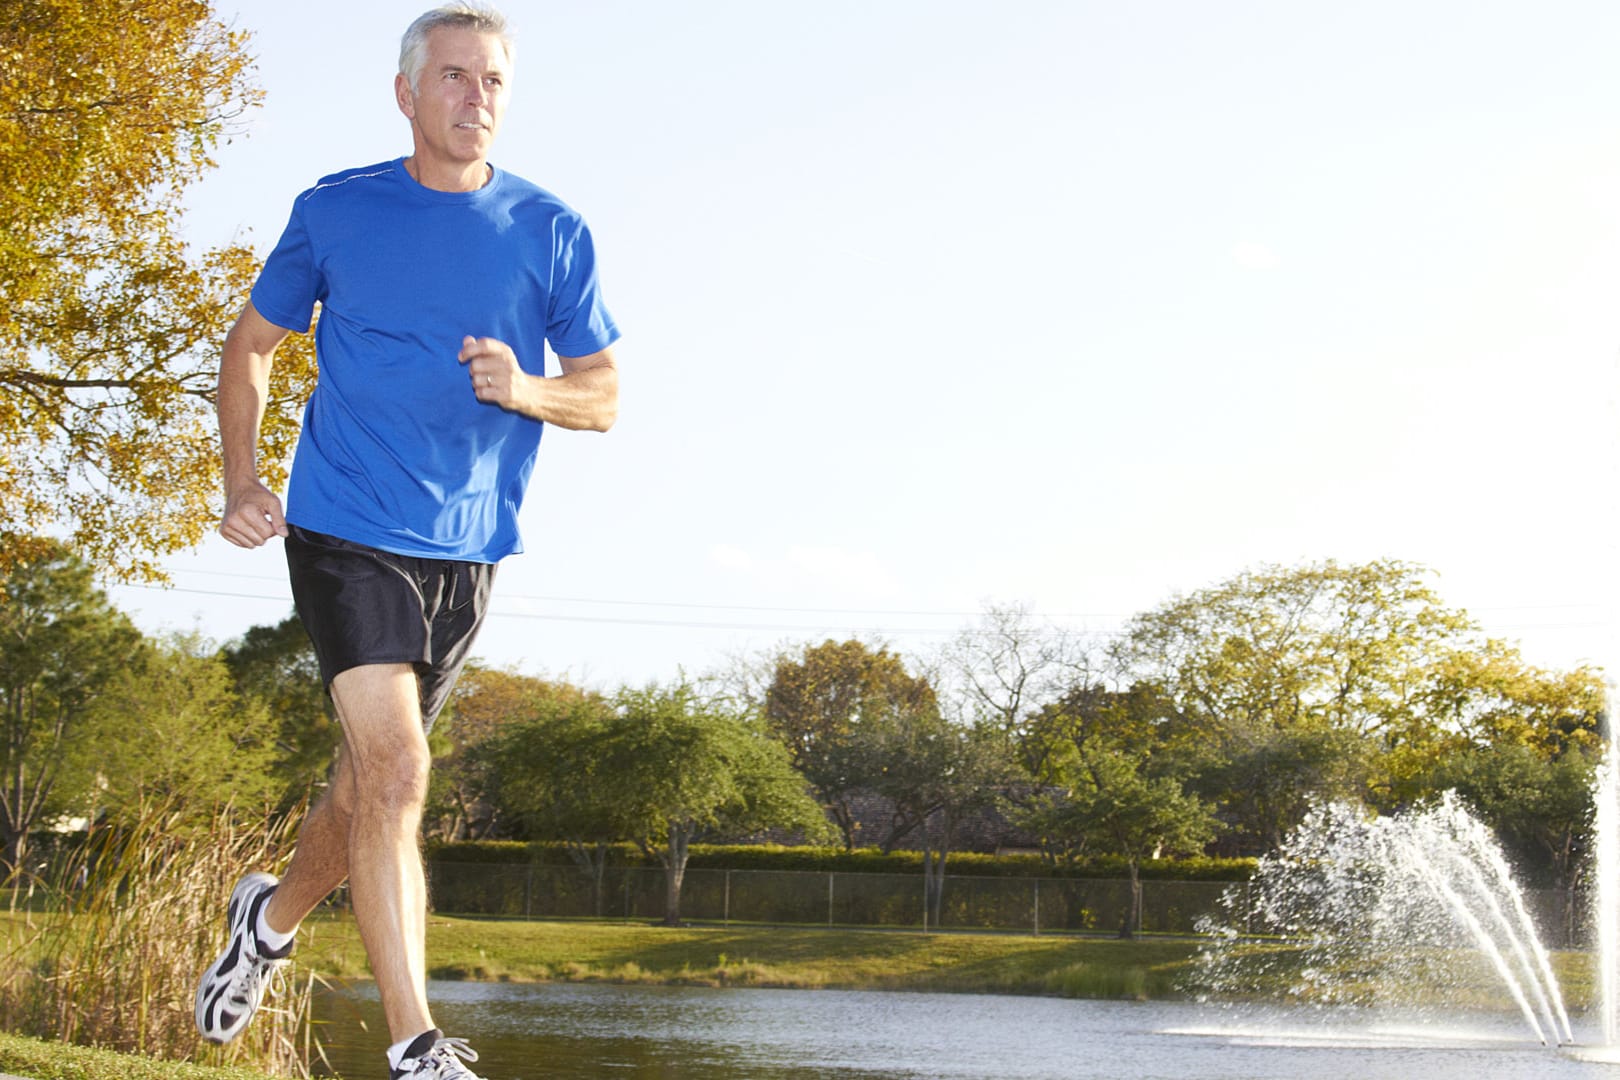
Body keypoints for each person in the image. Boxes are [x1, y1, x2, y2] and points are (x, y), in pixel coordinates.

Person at [193, 4, 619, 1078]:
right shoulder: (337, 212)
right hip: (346, 525)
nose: (477, 99)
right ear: (407, 93)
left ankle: (269, 918)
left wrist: (529, 389)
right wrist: (242, 480)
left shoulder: (551, 229)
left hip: (469, 549)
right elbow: (249, 351)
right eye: (456, 78)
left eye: (494, 83)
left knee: (367, 789)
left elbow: (604, 395)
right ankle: (417, 1045)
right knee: (399, 770)